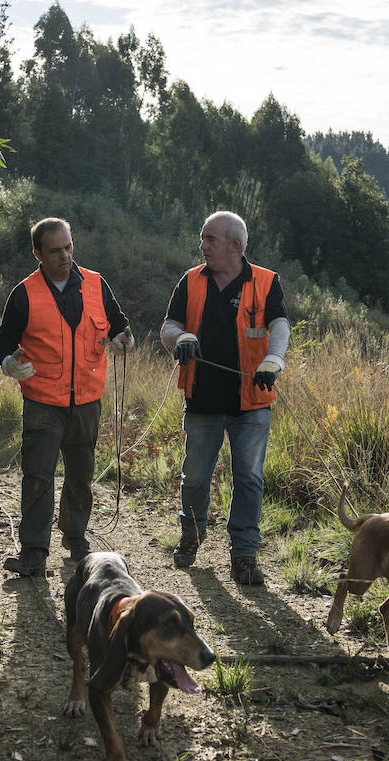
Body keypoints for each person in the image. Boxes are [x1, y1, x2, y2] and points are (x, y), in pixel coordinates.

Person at [0, 217, 133, 577]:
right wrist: (11, 363)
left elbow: (119, 326)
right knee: (38, 476)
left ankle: (75, 537)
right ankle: (34, 553)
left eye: (69, 247)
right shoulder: (24, 293)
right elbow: (4, 343)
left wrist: (122, 341)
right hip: (42, 401)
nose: (65, 256)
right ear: (37, 253)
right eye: (55, 250)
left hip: (87, 400)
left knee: (80, 474)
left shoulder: (96, 284)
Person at [160, 211, 289, 586]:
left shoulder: (266, 281)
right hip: (202, 399)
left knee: (248, 477)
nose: (202, 246)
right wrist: (180, 338)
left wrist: (273, 359)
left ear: (235, 246)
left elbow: (279, 323)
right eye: (202, 239)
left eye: (209, 240)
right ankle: (191, 536)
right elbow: (169, 325)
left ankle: (244, 556)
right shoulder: (190, 280)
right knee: (196, 477)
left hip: (252, 400)